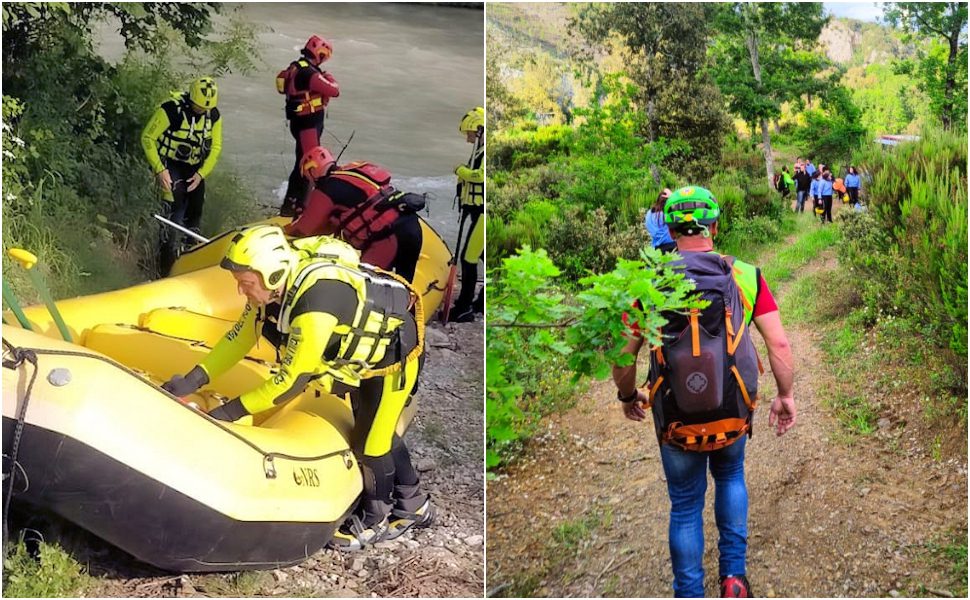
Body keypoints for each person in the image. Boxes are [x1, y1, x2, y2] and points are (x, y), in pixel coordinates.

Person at [161, 225, 434, 550]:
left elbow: (290, 381)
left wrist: (226, 413)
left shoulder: (316, 306)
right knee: (376, 429)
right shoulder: (271, 290)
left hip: (392, 361)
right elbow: (238, 339)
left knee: (371, 444)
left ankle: (375, 519)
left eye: (245, 283)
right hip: (362, 358)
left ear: (271, 275)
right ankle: (415, 504)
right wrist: (194, 379)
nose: (241, 291)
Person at [612, 186, 795, 598]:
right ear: (715, 226)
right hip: (731, 408)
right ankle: (733, 579)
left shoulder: (648, 283)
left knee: (685, 505)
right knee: (731, 475)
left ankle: (690, 592)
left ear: (669, 229)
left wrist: (628, 396)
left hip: (675, 415)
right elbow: (779, 345)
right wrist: (786, 394)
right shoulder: (745, 274)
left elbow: (621, 357)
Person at [285, 146, 425, 282]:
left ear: (312, 171)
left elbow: (304, 229)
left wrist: (284, 230)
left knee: (364, 285)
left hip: (388, 237)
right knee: (405, 287)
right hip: (412, 226)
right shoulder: (351, 173)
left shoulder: (326, 189)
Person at [141, 77, 223, 272]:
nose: (202, 111)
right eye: (199, 107)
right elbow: (147, 137)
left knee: (195, 212)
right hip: (171, 165)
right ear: (192, 99)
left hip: (195, 169)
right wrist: (160, 170)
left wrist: (202, 174)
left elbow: (216, 146)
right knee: (174, 214)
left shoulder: (213, 115)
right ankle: (165, 265)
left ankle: (191, 258)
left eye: (206, 108)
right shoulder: (171, 110)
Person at [277, 35, 340, 217]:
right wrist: (328, 76)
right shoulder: (309, 73)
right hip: (308, 124)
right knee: (311, 164)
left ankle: (293, 204)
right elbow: (334, 90)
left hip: (302, 122)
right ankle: (300, 207)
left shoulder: (297, 67)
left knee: (302, 163)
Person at [450, 107, 485, 323]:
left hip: (483, 214)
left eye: (470, 134)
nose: (468, 139)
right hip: (474, 210)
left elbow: (480, 177)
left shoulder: (485, 154)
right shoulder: (478, 151)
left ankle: (464, 307)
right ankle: (482, 302)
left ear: (479, 130)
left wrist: (460, 171)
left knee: (468, 258)